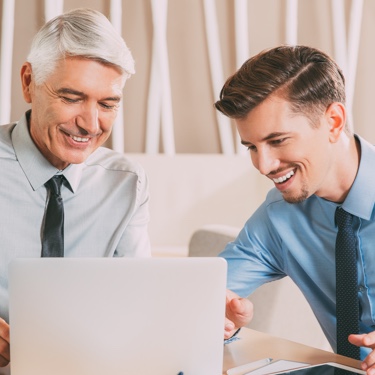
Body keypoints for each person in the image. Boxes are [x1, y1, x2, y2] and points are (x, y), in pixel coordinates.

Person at [0, 8, 151, 367]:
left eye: (108, 104)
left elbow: (139, 298)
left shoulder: (126, 183)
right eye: (71, 98)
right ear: (28, 83)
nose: (90, 123)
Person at [216, 45, 375, 373]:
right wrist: (211, 311)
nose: (264, 165)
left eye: (277, 141)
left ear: (333, 121)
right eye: (252, 147)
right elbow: (205, 290)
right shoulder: (278, 218)